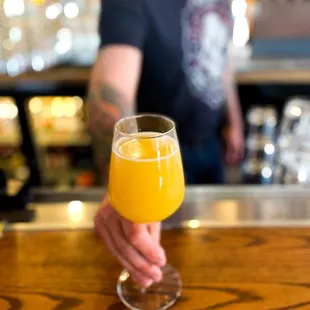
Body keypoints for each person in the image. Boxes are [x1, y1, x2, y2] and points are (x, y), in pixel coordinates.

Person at [88, 0, 244, 288]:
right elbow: (109, 92)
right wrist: (121, 182)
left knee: (205, 249)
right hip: (158, 161)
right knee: (155, 245)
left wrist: (234, 122)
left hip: (212, 145)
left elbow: (222, 64)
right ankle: (153, 282)